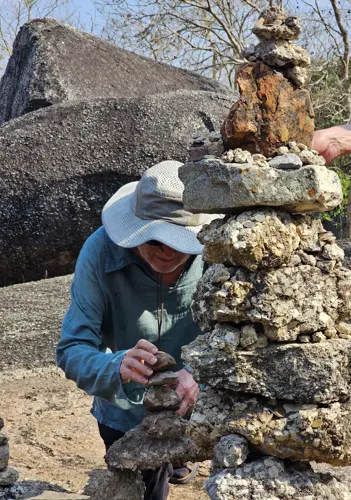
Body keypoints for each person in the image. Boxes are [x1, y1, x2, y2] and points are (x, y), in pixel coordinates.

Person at [56, 160, 221, 500]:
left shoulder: (222, 251)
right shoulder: (99, 252)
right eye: (155, 241)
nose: (167, 252)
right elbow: (72, 348)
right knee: (145, 487)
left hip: (207, 401)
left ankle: (178, 461)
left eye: (179, 241)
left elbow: (244, 335)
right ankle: (167, 467)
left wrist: (200, 374)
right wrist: (115, 366)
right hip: (125, 410)